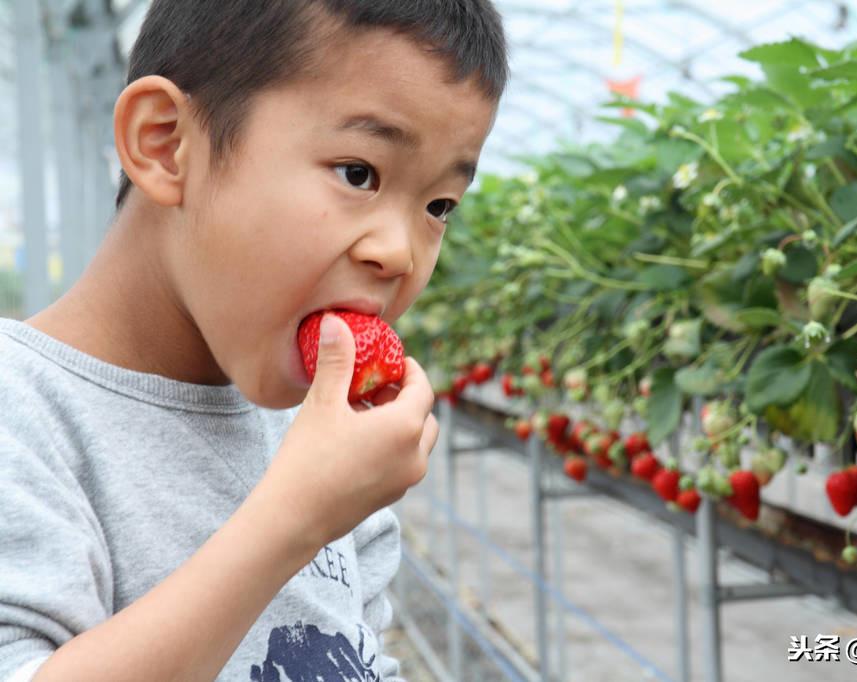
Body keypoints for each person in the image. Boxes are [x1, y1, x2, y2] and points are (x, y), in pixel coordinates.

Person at [0, 1, 507, 680]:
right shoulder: (23, 417)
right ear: (165, 143)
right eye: (358, 172)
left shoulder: (320, 443)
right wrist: (293, 518)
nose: (400, 253)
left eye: (438, 205)